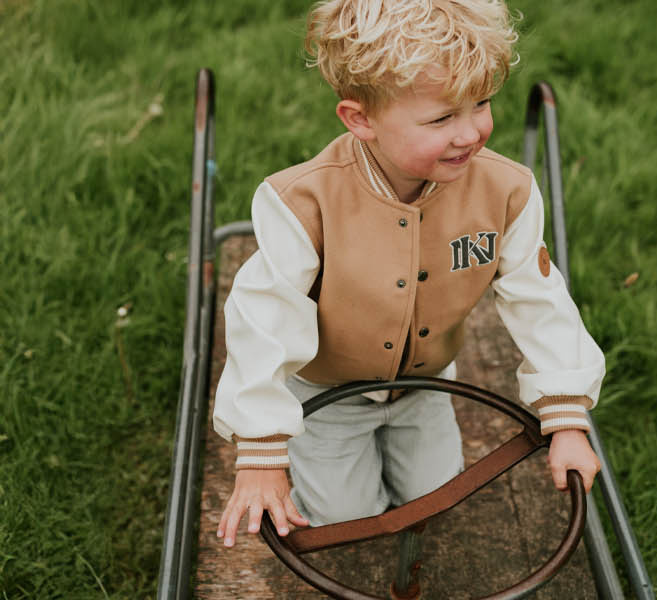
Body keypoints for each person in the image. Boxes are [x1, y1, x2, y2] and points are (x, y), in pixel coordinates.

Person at [212, 0, 604, 548]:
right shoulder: (301, 201)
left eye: (482, 103)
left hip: (424, 386)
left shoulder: (506, 192)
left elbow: (539, 301)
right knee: (346, 524)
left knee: (432, 503)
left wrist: (564, 416)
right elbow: (265, 318)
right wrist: (260, 450)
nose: (470, 133)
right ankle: (313, 468)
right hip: (329, 393)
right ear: (361, 119)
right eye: (442, 118)